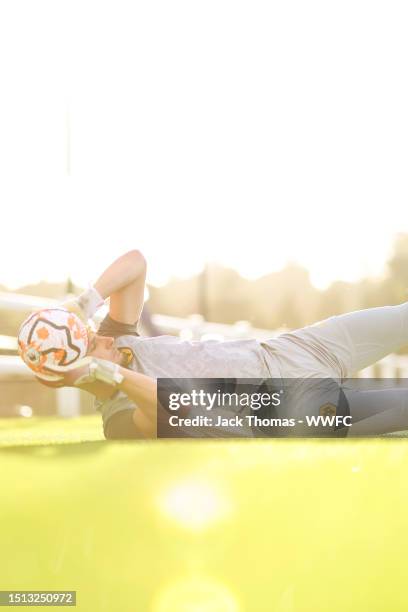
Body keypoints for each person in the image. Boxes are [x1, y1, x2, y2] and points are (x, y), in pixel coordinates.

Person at [17, 250, 408, 439]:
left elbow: (135, 263)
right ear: (87, 373)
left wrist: (83, 304)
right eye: (92, 345)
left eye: (88, 330)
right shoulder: (120, 420)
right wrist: (103, 372)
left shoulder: (116, 339)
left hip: (294, 349)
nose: (100, 336)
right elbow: (175, 405)